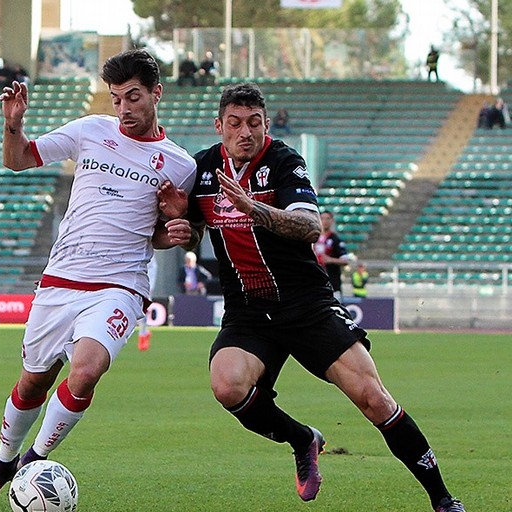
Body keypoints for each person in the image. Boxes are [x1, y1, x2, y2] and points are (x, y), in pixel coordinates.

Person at [186, 82, 465, 512]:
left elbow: (309, 227)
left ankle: (443, 500)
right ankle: (303, 438)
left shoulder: (283, 161)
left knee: (375, 400)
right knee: (227, 385)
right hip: (248, 311)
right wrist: (175, 228)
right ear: (219, 125)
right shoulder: (201, 170)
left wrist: (255, 208)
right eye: (236, 123)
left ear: (265, 123)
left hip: (306, 305)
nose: (246, 132)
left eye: (255, 123)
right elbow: (182, 231)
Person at [0, 48, 197, 506]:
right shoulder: (91, 130)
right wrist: (13, 124)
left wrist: (176, 227)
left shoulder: (181, 165)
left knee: (86, 370)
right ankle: (1, 464)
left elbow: (167, 235)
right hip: (62, 278)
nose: (124, 108)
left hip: (120, 285)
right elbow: (18, 159)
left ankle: (32, 463)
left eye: (133, 97)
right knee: (34, 381)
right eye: (116, 99)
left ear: (156, 93)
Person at [314, 210, 349, 301]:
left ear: (332, 221)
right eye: (322, 218)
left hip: (333, 285)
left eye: (328, 218)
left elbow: (345, 260)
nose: (325, 221)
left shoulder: (335, 239)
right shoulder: (312, 238)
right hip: (314, 284)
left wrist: (330, 260)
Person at [137, 255, 158, 351]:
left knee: (143, 307)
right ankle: (144, 332)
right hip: (136, 278)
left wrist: (151, 285)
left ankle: (142, 335)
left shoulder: (150, 255)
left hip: (146, 280)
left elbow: (153, 268)